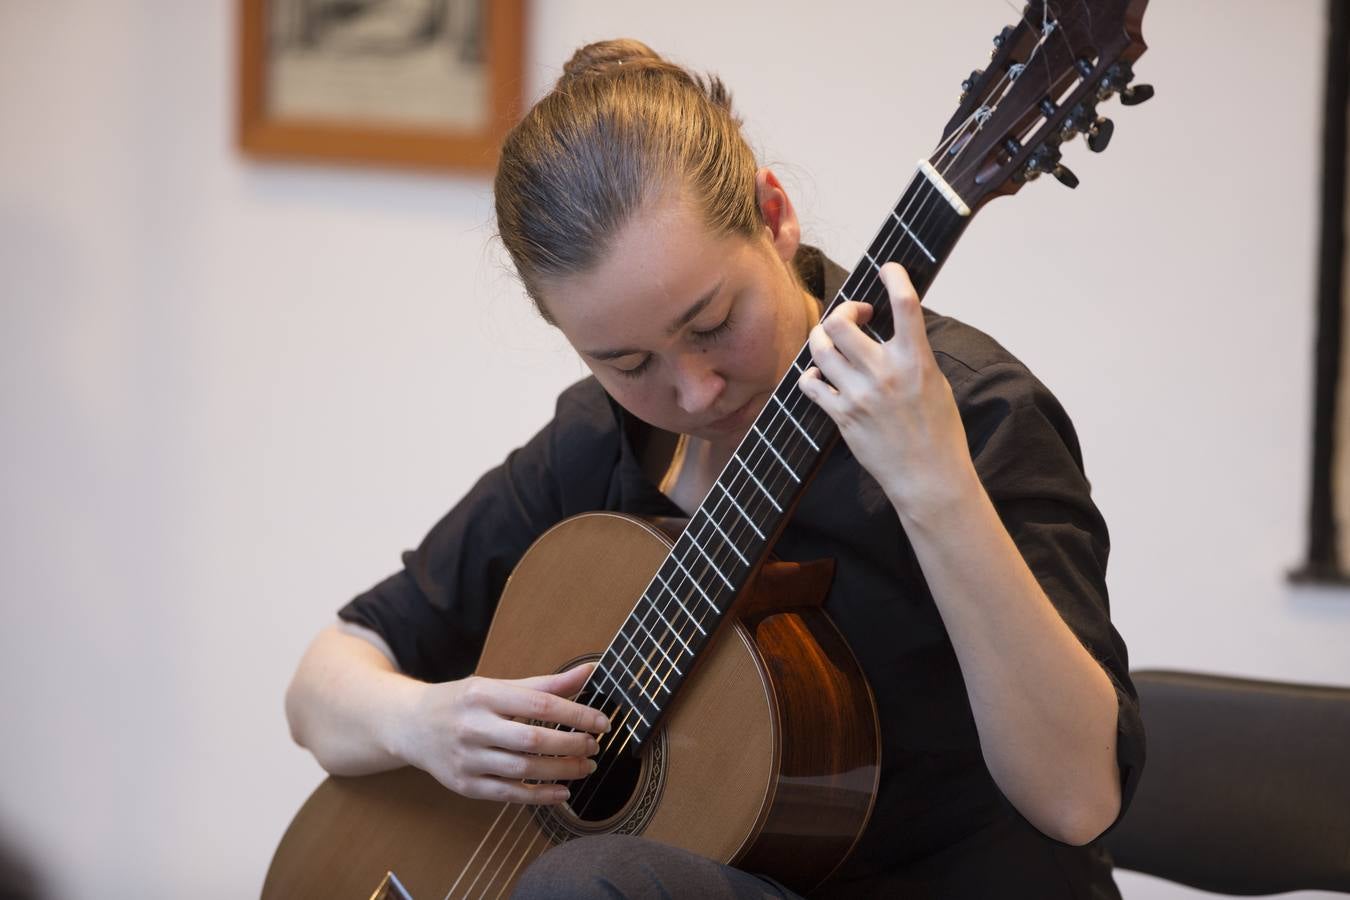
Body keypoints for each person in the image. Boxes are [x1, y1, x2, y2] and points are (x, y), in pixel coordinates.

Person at [284, 38, 1144, 899]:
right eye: (627, 362)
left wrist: (937, 487)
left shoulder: (976, 414)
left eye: (713, 322)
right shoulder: (605, 439)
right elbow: (324, 684)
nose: (692, 391)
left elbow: (1077, 801)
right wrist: (427, 723)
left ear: (774, 217)